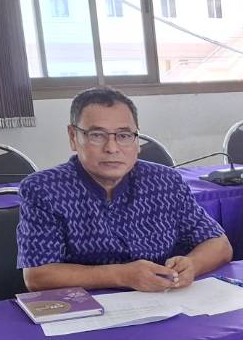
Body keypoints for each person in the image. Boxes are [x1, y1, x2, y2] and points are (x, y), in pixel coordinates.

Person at [17, 87, 231, 292]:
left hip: (163, 301)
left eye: (124, 135)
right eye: (97, 135)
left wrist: (192, 264)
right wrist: (122, 275)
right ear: (74, 137)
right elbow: (37, 276)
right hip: (86, 310)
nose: (112, 148)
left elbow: (219, 244)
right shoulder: (43, 190)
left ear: (137, 140)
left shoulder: (166, 182)